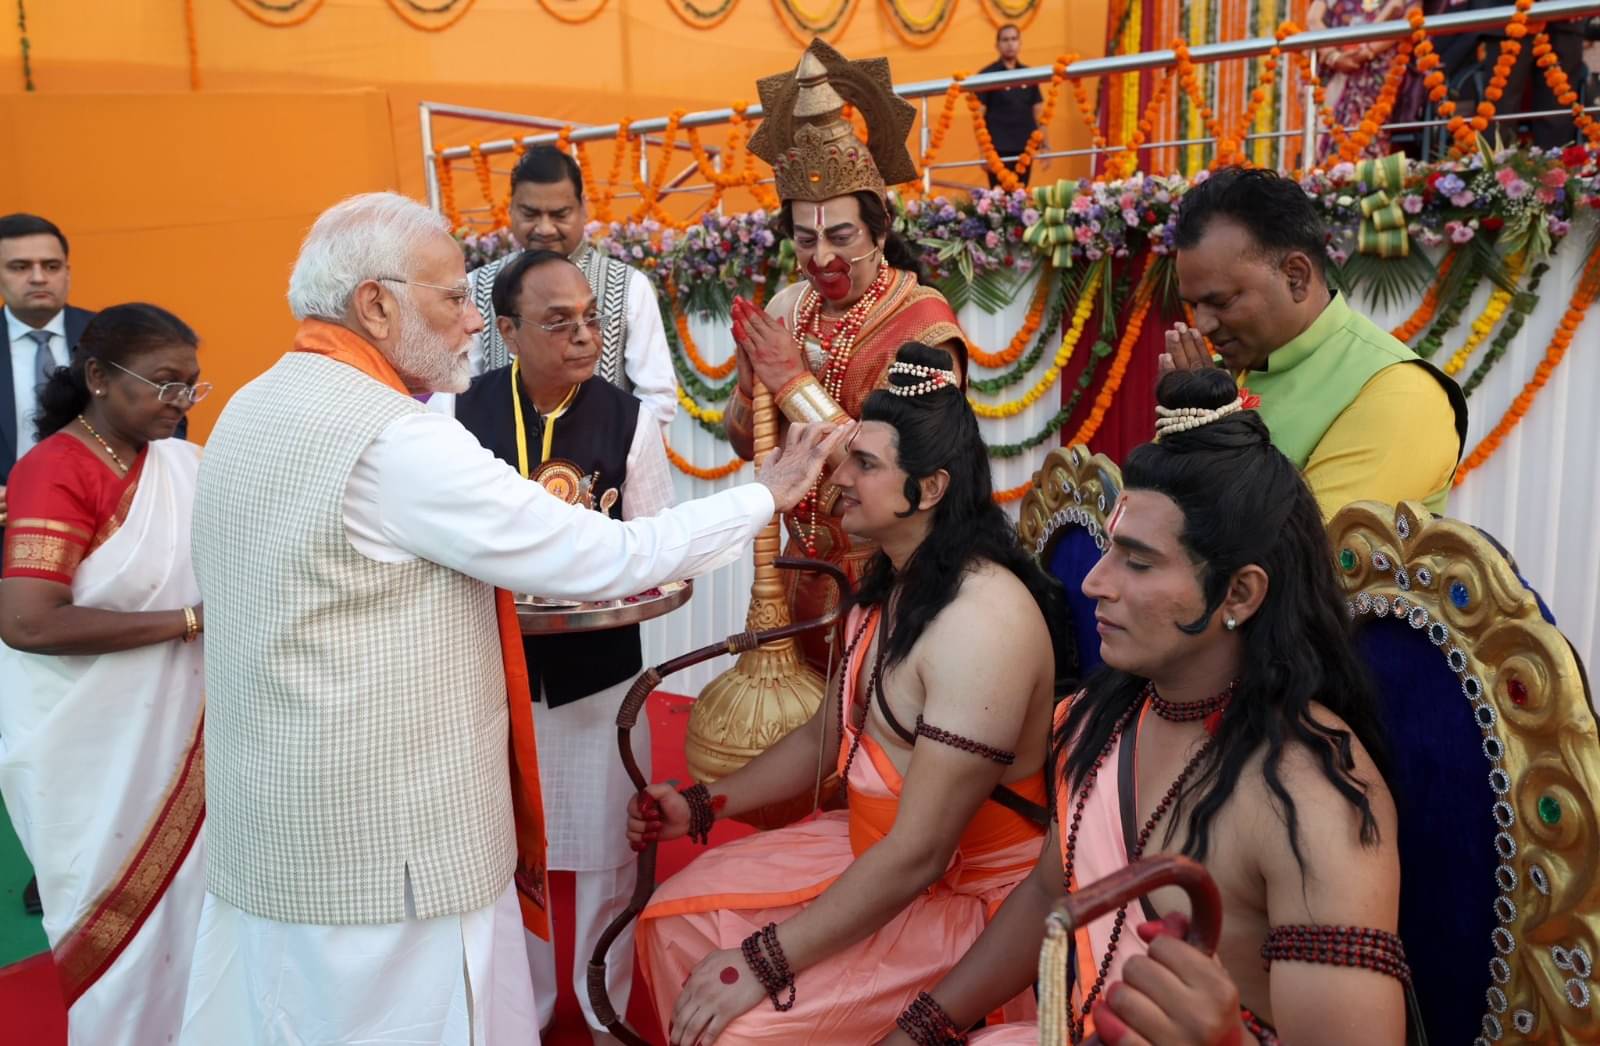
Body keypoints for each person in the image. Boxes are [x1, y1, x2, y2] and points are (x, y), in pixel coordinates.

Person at [179, 190, 846, 1046]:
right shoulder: (399, 438)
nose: (471, 321)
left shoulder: (249, 404)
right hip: (393, 855)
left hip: (275, 825)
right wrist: (764, 495)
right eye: (453, 297)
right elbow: (605, 555)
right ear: (375, 305)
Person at [884, 368, 1408, 1046]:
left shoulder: (1311, 799)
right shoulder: (1099, 718)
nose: (1094, 583)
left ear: (1240, 594)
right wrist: (921, 1029)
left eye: (1137, 562)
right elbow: (1050, 894)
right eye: (1109, 550)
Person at [630, 342, 1065, 1046]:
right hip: (874, 856)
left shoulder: (982, 625)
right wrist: (702, 803)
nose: (838, 478)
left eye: (864, 464)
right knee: (677, 918)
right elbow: (825, 737)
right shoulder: (896, 581)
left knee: (742, 1026)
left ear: (929, 489)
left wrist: (765, 962)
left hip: (962, 903)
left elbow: (922, 855)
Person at [445, 249, 677, 1040]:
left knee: (609, 850)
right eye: (558, 322)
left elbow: (655, 544)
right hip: (490, 676)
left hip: (599, 678)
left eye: (589, 319)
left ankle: (602, 1012)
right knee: (507, 853)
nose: (583, 336)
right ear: (508, 332)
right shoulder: (456, 414)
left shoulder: (628, 419)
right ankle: (529, 1013)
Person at [0, 303, 209, 1046]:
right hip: (85, 742)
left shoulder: (180, 465)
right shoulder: (54, 470)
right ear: (97, 377)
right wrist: (189, 623)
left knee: (197, 921)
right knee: (112, 922)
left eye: (191, 386)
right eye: (162, 383)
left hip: (178, 736)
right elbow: (28, 622)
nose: (179, 402)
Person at [736, 38, 969, 671]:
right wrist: (750, 383)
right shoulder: (790, 308)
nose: (821, 258)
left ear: (881, 228)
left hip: (886, 577)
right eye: (804, 239)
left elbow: (901, 469)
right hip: (796, 570)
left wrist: (791, 382)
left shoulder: (925, 327)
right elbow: (745, 441)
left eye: (841, 236)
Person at [1164, 166, 1467, 520]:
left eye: (1222, 301)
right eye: (1193, 305)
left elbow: (1306, 544)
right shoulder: (1219, 376)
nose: (1203, 325)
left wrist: (1207, 432)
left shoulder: (1400, 392)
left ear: (1296, 276)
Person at [468, 145, 676, 431]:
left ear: (583, 209)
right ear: (511, 209)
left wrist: (613, 447)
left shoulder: (628, 286)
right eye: (530, 214)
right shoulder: (477, 285)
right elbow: (461, 389)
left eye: (559, 214)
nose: (544, 228)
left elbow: (657, 397)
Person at [2, 214, 96, 532]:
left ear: (67, 273)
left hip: (98, 525)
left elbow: (164, 419)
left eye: (51, 266)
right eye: (20, 267)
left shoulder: (112, 338)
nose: (38, 278)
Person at [1307, 0, 1407, 162]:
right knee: (1329, 129)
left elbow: (1405, 15)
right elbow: (1313, 19)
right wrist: (1333, 56)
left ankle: (1359, 174)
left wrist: (1366, 51)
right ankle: (1333, 173)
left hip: (1376, 69)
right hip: (1337, 71)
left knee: (1370, 129)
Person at [976, 23, 1046, 187]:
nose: (1010, 44)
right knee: (998, 198)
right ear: (997, 45)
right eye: (1005, 40)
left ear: (1020, 43)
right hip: (997, 149)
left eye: (1014, 39)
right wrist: (983, 151)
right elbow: (979, 115)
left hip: (1025, 147)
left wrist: (1045, 146)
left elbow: (1038, 112)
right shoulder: (987, 75)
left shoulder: (1029, 73)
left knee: (1021, 194)